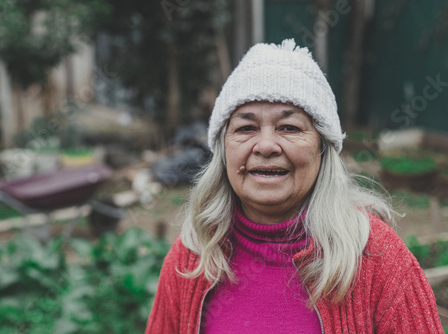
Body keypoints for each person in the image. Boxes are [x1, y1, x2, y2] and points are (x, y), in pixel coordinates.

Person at [145, 39, 443, 333]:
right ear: (223, 150)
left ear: (322, 148)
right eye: (246, 128)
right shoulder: (194, 255)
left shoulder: (379, 260)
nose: (265, 146)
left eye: (289, 127)